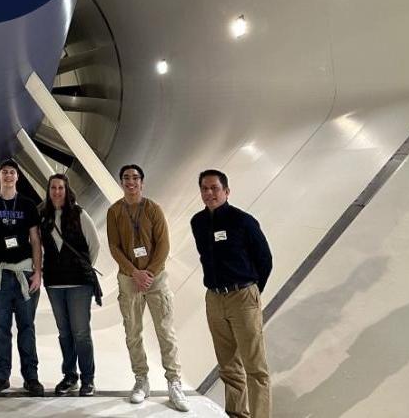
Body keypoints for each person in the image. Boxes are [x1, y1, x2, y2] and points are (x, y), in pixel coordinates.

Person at [190, 169, 273, 418]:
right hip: (214, 299)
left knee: (255, 368)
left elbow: (264, 259)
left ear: (226, 191)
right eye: (204, 188)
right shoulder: (198, 222)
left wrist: (253, 292)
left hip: (242, 296)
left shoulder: (243, 221)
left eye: (214, 188)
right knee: (228, 366)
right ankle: (237, 414)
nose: (209, 193)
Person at [107, 164, 188, 410]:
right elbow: (115, 247)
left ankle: (174, 381)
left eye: (135, 178)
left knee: (165, 331)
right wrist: (135, 273)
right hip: (129, 279)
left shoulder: (153, 209)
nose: (130, 182)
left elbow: (163, 244)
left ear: (142, 182)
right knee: (133, 331)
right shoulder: (115, 212)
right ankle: (141, 379)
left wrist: (149, 273)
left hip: (156, 279)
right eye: (126, 178)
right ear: (122, 183)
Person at [0, 158, 45, 397]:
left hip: (24, 274)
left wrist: (37, 272)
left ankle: (31, 377)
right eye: (4, 172)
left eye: (12, 172)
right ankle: (1, 376)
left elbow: (36, 241)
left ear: (17, 177)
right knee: (1, 328)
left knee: (27, 327)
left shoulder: (27, 205)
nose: (8, 176)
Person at [39, 173, 101, 397]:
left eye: (61, 188)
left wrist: (82, 269)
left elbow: (95, 245)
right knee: (64, 333)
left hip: (78, 284)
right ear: (48, 191)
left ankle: (88, 379)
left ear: (67, 190)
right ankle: (69, 376)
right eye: (53, 188)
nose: (57, 192)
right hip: (55, 284)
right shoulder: (43, 216)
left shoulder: (79, 214)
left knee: (81, 333)